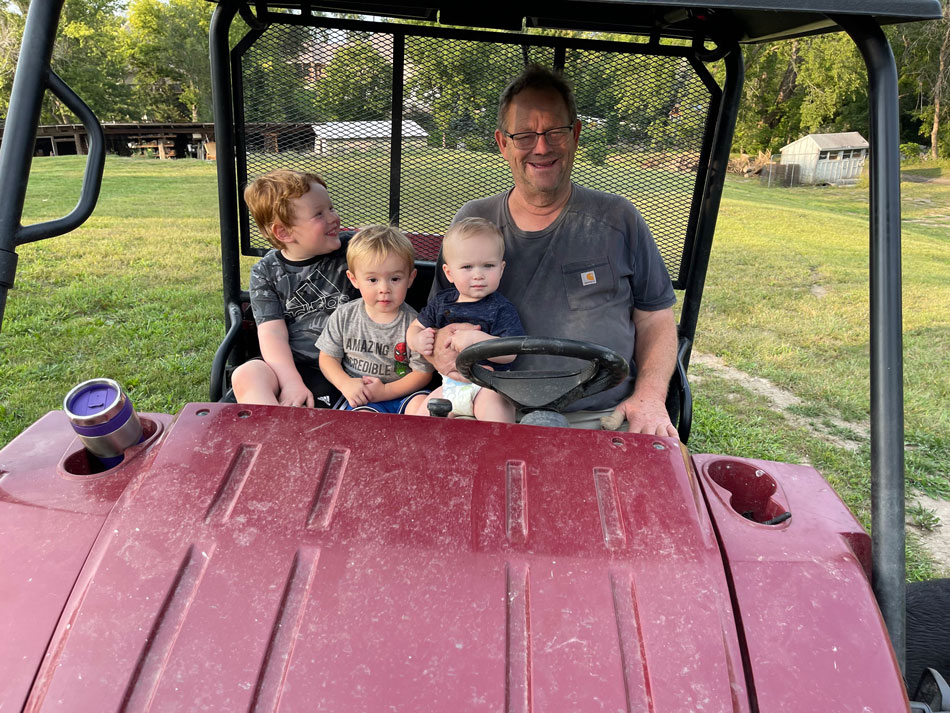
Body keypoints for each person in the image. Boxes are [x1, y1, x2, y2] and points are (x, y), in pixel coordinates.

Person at [433, 64, 679, 437]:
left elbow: (655, 319)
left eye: (555, 132)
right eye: (525, 135)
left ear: (576, 134)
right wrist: (441, 350)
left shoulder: (619, 218)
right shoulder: (473, 222)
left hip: (601, 417)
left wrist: (649, 396)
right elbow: (441, 319)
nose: (542, 147)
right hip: (489, 411)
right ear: (503, 143)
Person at [231, 169, 357, 407]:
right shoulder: (266, 271)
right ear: (284, 232)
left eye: (331, 208)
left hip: (344, 365)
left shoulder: (352, 251)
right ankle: (270, 430)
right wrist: (290, 381)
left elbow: (387, 253)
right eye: (319, 214)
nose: (333, 218)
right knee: (246, 374)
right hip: (289, 364)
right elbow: (272, 334)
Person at [407, 218, 525, 422]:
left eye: (488, 266)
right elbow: (414, 328)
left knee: (497, 418)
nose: (478, 275)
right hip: (449, 386)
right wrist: (417, 340)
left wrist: (477, 340)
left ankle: (496, 452)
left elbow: (511, 353)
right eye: (467, 267)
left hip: (489, 388)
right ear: (449, 273)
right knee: (422, 418)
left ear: (502, 268)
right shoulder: (441, 303)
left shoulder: (501, 308)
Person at [316, 225, 433, 414]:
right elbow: (328, 357)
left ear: (410, 278)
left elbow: (423, 372)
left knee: (425, 407)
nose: (384, 288)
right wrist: (345, 383)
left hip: (404, 392)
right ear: (354, 279)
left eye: (395, 279)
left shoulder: (415, 324)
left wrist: (386, 391)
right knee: (364, 420)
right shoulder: (345, 316)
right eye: (373, 280)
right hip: (364, 396)